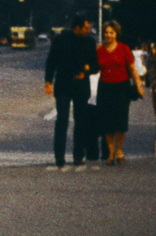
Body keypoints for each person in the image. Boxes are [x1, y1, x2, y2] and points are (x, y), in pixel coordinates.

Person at [44, 13, 98, 170]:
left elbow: (95, 65)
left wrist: (87, 70)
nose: (89, 30)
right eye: (86, 28)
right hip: (63, 85)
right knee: (62, 120)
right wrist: (48, 81)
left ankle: (78, 156)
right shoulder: (61, 40)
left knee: (81, 122)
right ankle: (59, 156)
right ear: (77, 27)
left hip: (81, 86)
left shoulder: (89, 42)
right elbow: (51, 61)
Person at [95, 20, 141, 165]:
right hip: (105, 87)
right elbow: (93, 67)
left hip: (122, 87)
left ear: (116, 34)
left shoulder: (124, 48)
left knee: (120, 120)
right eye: (106, 33)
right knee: (107, 121)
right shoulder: (100, 50)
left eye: (111, 33)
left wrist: (138, 86)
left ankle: (119, 149)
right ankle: (111, 152)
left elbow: (133, 68)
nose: (108, 35)